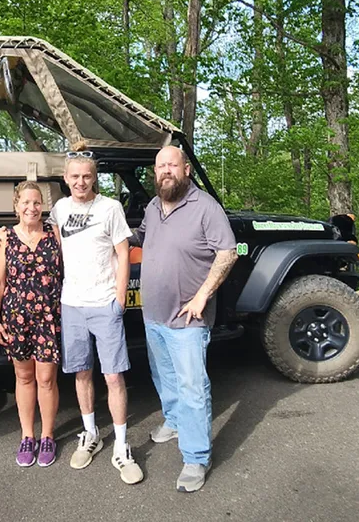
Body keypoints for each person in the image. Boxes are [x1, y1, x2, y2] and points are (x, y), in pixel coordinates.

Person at [0, 148, 143, 484]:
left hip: (104, 303)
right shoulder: (59, 210)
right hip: (71, 304)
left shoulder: (110, 208)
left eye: (87, 176)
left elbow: (123, 252)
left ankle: (121, 445)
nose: (80, 182)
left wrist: (119, 299)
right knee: (81, 373)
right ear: (65, 179)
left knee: (114, 377)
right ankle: (90, 434)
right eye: (74, 176)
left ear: (95, 178)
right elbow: (33, 230)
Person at [136, 145, 237, 492]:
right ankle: (175, 420)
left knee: (193, 387)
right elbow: (137, 242)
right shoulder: (152, 207)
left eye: (172, 165)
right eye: (161, 165)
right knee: (164, 376)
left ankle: (196, 457)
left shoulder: (205, 207)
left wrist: (202, 295)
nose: (166, 171)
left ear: (186, 170)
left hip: (188, 318)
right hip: (154, 314)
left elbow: (228, 252)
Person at [0, 181, 63, 467]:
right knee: (23, 378)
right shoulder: (4, 237)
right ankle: (27, 436)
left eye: (36, 202)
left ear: (42, 206)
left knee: (46, 379)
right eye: (26, 202)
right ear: (16, 205)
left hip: (48, 317)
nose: (31, 208)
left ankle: (47, 436)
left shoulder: (54, 235)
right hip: (17, 318)